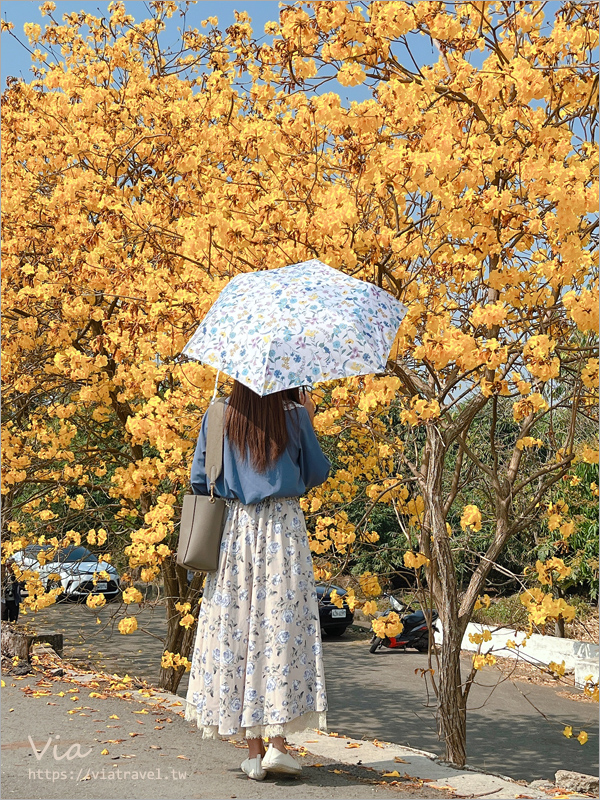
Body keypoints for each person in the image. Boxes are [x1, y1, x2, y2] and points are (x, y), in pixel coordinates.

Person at [185, 382, 331, 781]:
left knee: (239, 628)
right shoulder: (295, 416)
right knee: (280, 630)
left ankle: (253, 753)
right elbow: (317, 472)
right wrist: (307, 420)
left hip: (237, 532)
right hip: (283, 532)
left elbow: (201, 479)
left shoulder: (218, 415)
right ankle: (278, 746)